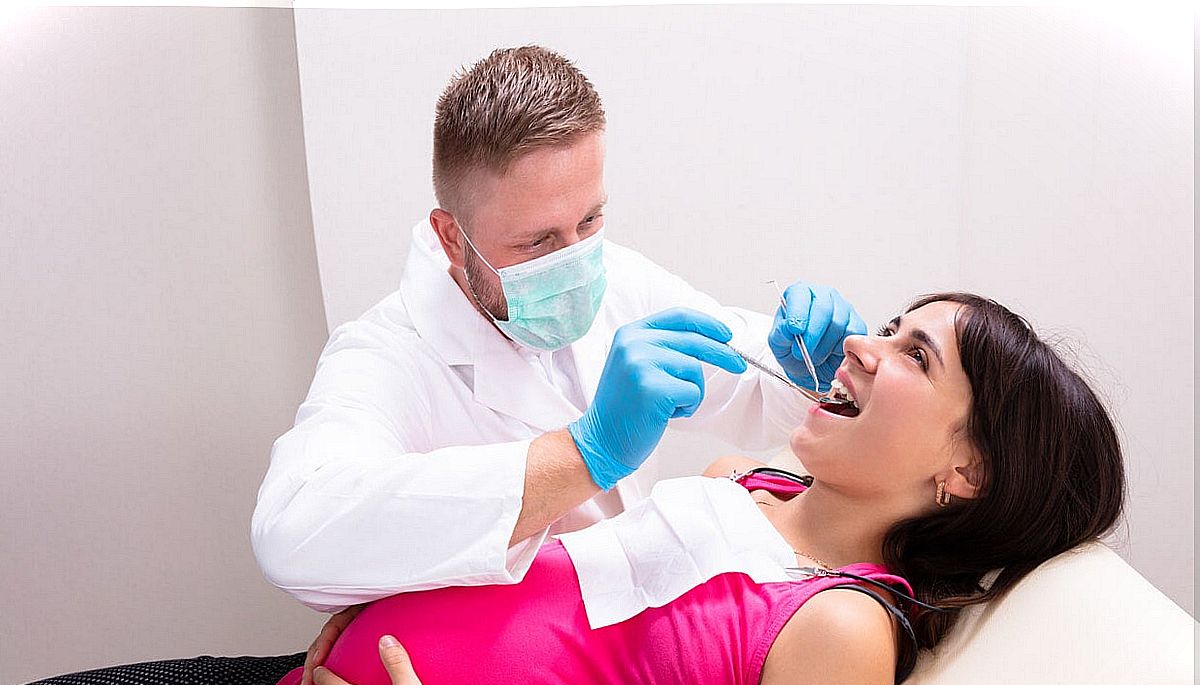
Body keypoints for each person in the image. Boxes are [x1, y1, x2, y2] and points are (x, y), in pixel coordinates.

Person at [0, 293, 1125, 685]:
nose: (866, 346)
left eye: (915, 355)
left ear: (967, 473)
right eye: (884, 325)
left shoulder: (837, 638)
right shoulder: (746, 485)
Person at [249, 44, 865, 619]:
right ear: (449, 238)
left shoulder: (619, 279)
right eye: (537, 242)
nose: (574, 263)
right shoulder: (386, 354)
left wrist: (807, 367)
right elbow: (293, 534)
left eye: (590, 219)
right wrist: (580, 455)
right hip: (478, 677)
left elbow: (756, 389)